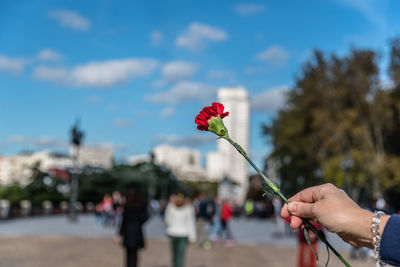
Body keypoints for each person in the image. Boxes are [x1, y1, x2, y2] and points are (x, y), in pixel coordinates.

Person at [280, 183, 400, 266]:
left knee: (312, 255)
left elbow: (317, 223)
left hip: (312, 236)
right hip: (303, 235)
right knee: (303, 254)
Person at [115, 187, 148, 267]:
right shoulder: (141, 204)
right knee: (134, 254)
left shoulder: (127, 205)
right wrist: (139, 221)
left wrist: (119, 234)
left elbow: (123, 221)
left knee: (128, 254)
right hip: (137, 231)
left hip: (128, 232)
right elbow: (145, 217)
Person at [164, 193, 196, 267]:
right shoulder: (188, 208)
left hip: (174, 233)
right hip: (182, 234)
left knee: (174, 254)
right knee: (180, 255)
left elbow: (167, 220)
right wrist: (192, 237)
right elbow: (190, 224)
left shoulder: (171, 207)